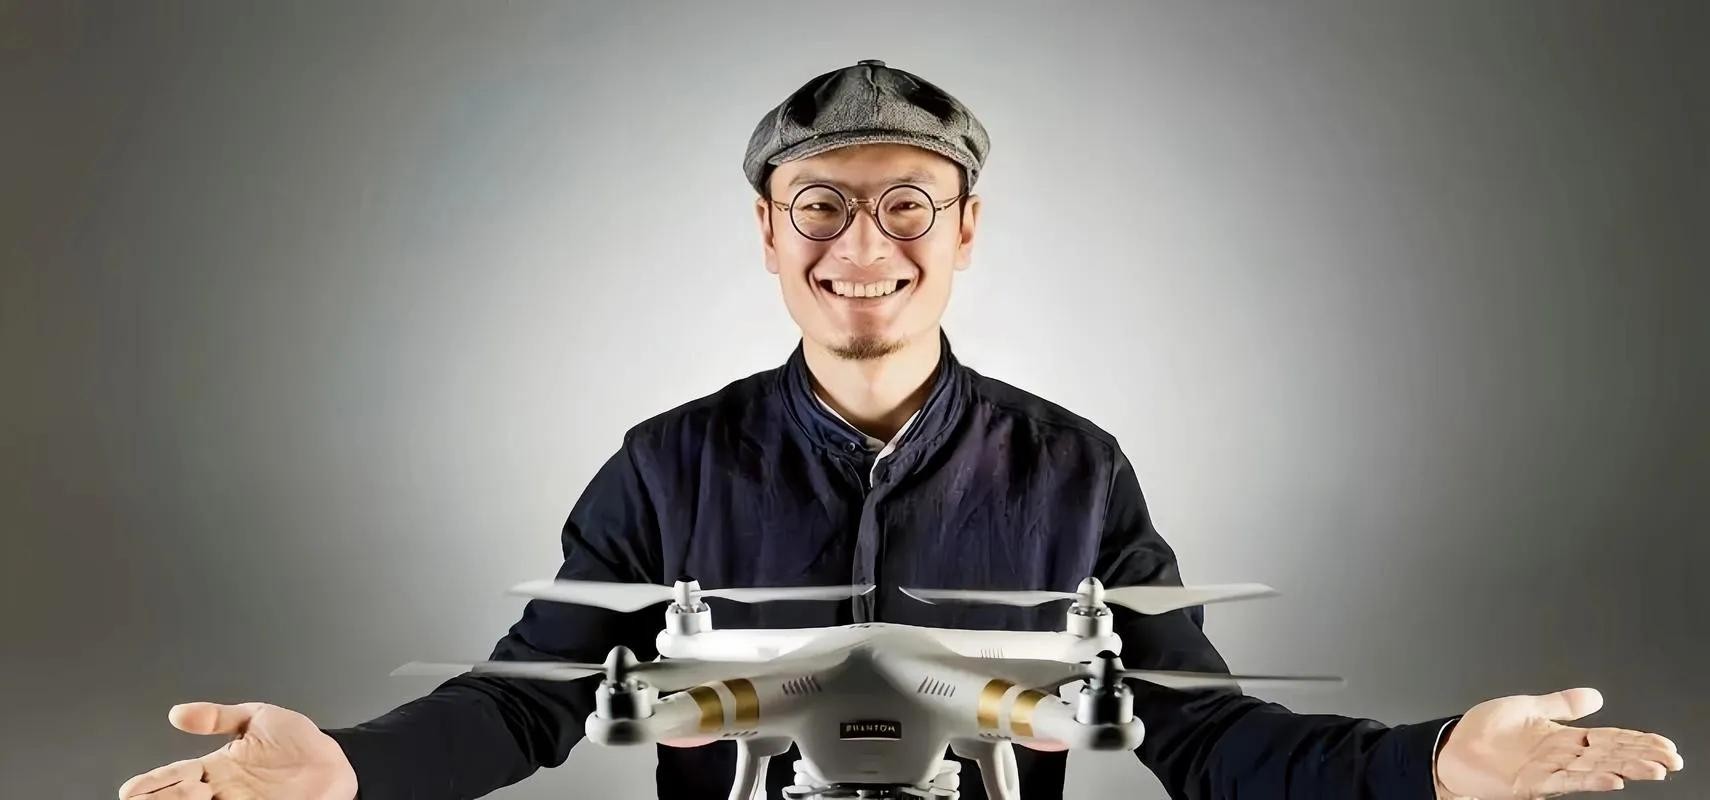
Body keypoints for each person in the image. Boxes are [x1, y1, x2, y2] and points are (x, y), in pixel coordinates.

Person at [119, 59, 1683, 800]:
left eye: (906, 206)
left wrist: (1430, 769)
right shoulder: (667, 463)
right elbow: (526, 701)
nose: (860, 244)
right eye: (819, 204)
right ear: (764, 229)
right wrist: (348, 774)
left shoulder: (1074, 470)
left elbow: (1205, 732)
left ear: (966, 227)